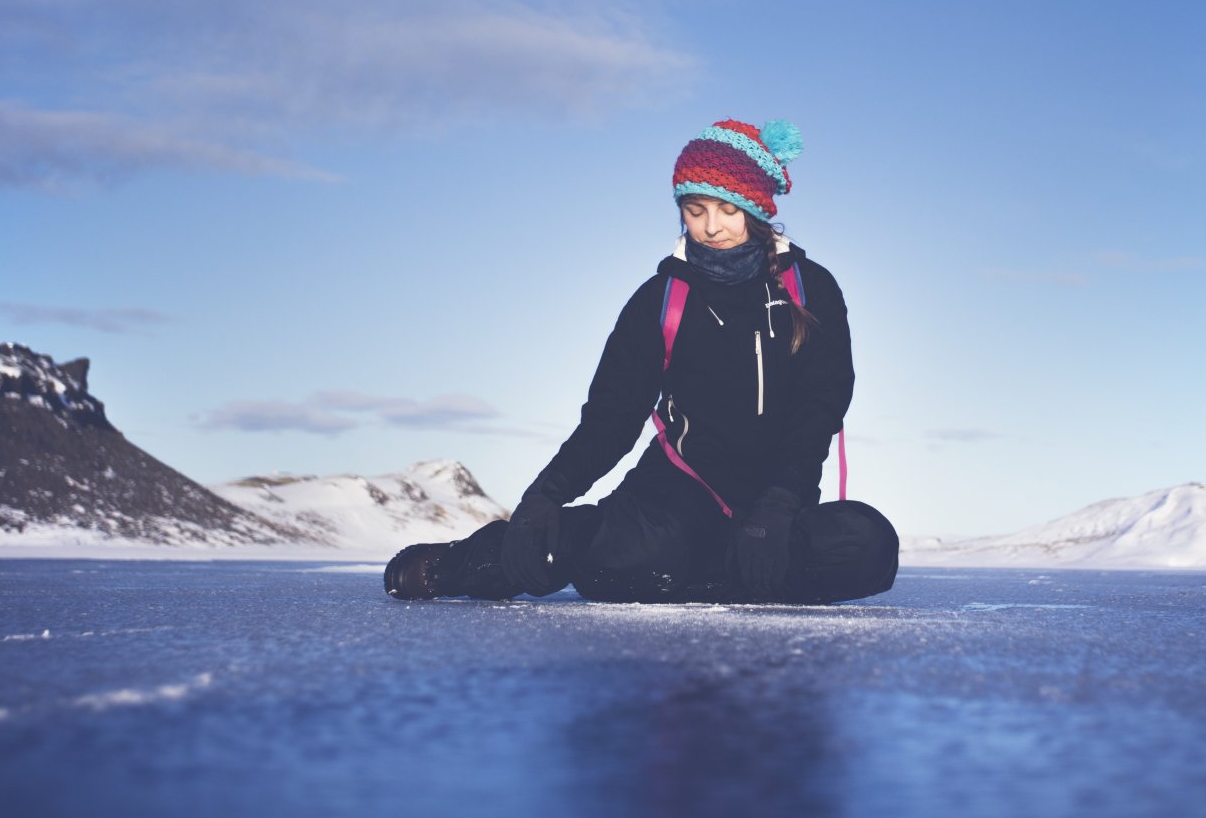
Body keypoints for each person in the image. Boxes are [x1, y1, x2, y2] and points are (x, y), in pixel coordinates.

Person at [384, 118, 899, 605]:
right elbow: (611, 416)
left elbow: (820, 404)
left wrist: (781, 502)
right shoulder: (660, 300)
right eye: (696, 211)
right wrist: (543, 496)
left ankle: (687, 575)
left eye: (727, 210)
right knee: (628, 554)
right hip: (677, 491)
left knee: (868, 546)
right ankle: (462, 562)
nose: (711, 226)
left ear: (757, 209)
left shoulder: (811, 291)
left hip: (773, 500)